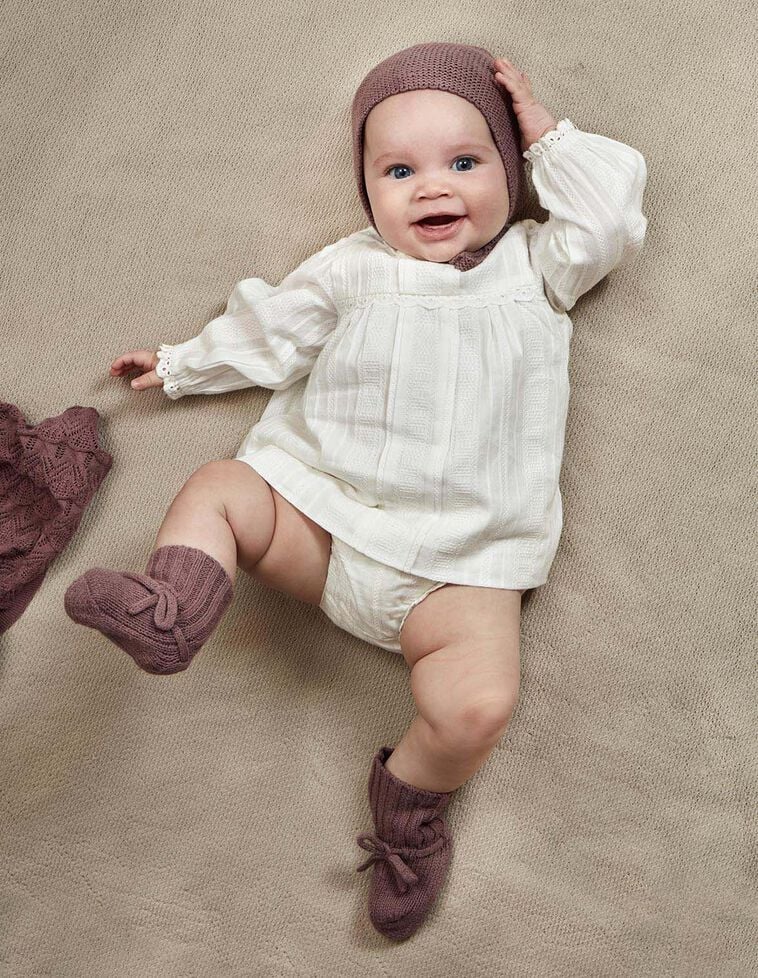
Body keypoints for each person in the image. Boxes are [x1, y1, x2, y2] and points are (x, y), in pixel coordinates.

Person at [64, 42, 648, 940]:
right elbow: (271, 331)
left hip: (461, 577)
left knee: (479, 704)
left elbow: (612, 218)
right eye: (399, 170)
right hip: (323, 523)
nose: (432, 188)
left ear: (510, 169)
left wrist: (547, 135)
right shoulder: (352, 268)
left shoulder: (540, 265)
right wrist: (182, 364)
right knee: (223, 484)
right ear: (367, 190)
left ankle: (410, 813)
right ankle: (175, 606)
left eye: (466, 161)